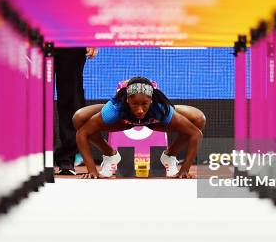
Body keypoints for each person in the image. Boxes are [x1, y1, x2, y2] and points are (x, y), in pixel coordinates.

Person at [73, 77, 205, 179]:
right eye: (135, 104)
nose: (140, 110)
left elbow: (196, 133)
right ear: (127, 101)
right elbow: (82, 133)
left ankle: (170, 156)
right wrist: (92, 170)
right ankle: (109, 154)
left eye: (144, 104)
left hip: (154, 121)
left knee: (198, 119)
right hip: (123, 121)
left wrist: (184, 170)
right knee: (78, 118)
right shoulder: (114, 109)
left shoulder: (161, 108)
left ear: (151, 101)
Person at [54, 47, 97, 175]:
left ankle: (66, 158)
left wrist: (93, 39)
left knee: (71, 97)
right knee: (37, 96)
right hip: (39, 37)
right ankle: (39, 155)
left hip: (72, 40)